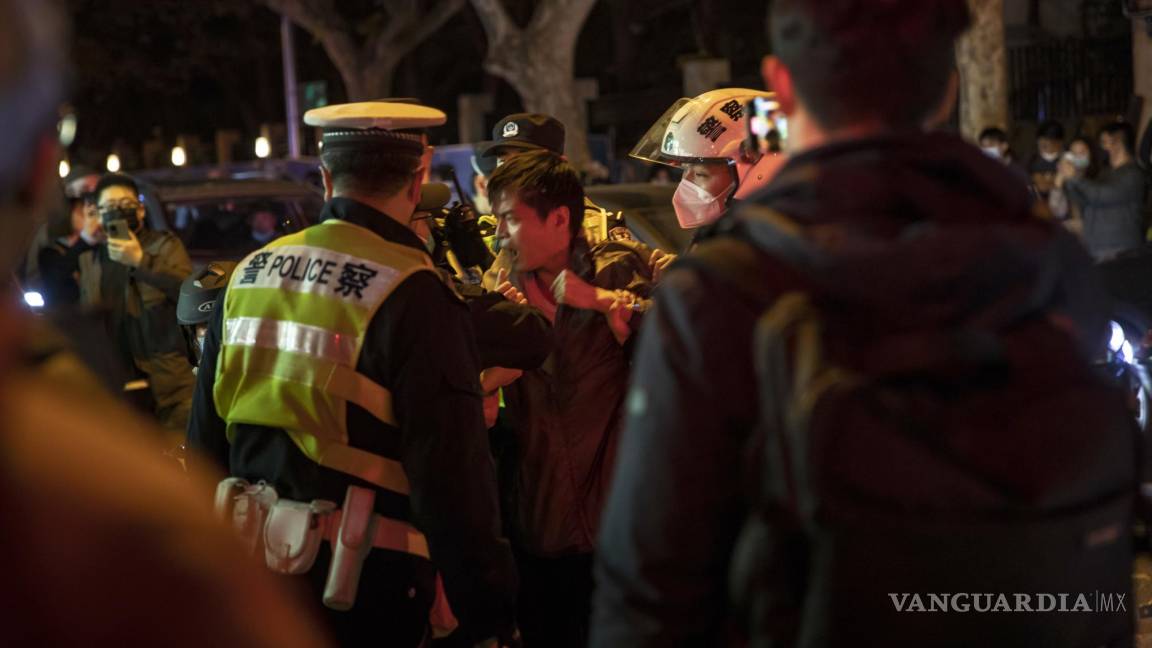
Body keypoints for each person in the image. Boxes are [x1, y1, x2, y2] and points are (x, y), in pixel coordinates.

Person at [592, 0, 1136, 646]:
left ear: (783, 86)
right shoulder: (1052, 263)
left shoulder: (723, 295)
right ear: (948, 87)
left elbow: (650, 591)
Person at [0, 1, 331, 645]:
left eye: (126, 209)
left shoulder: (161, 253)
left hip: (167, 379)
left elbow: (180, 293)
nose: (119, 219)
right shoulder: (118, 514)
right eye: (108, 211)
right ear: (43, 169)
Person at [187, 100, 519, 648]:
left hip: (256, 581)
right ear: (419, 176)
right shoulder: (415, 290)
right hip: (366, 590)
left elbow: (204, 444)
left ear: (324, 178)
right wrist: (489, 614)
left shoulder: (248, 274)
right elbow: (453, 479)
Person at [479, 150, 654, 648]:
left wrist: (605, 306)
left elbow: (668, 362)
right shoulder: (501, 288)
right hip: (534, 529)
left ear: (559, 218)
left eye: (510, 219)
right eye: (498, 221)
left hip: (615, 532)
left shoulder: (615, 272)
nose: (500, 235)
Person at [76, 172, 195, 441]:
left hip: (168, 386)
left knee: (180, 467)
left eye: (125, 204)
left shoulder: (165, 246)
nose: (118, 211)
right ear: (98, 213)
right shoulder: (91, 257)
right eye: (109, 206)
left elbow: (187, 292)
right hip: (116, 389)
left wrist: (141, 261)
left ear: (140, 210)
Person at [629, 88, 787, 247]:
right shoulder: (729, 233)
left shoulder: (770, 247)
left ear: (754, 165)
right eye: (685, 169)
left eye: (700, 174)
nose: (685, 183)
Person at [1058, 121, 1150, 260]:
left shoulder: (1133, 174)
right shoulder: (1105, 173)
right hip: (1097, 250)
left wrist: (1075, 179)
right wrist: (1069, 180)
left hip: (1122, 252)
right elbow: (1084, 202)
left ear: (1117, 142)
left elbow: (1101, 196)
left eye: (1104, 142)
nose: (1100, 147)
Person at [1048, 135, 1100, 230]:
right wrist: (1059, 177)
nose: (1078, 157)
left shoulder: (1099, 179)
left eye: (1082, 152)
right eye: (1074, 153)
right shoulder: (1066, 181)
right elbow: (1056, 211)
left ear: (1091, 154)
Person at [1027, 119, 1066, 199]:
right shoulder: (1030, 159)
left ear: (1060, 142)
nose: (1045, 145)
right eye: (1042, 142)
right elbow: (1041, 187)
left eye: (1051, 142)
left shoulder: (1066, 160)